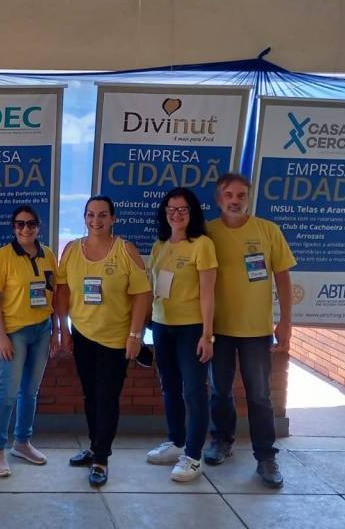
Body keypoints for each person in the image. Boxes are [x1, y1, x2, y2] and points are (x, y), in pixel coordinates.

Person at [204, 173, 296, 488]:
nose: (235, 201)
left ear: (248, 198)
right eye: (229, 195)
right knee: (220, 390)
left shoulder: (268, 231)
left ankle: (266, 457)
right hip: (218, 329)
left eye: (241, 195)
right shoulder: (207, 233)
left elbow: (283, 277)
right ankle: (222, 440)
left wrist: (286, 321)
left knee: (259, 395)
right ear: (219, 199)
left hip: (256, 331)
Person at [56, 195, 151, 488]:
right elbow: (62, 290)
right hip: (82, 335)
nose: (95, 220)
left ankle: (101, 458)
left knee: (107, 398)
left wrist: (135, 335)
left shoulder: (125, 250)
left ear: (113, 219)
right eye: (90, 214)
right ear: (84, 218)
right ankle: (94, 445)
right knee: (90, 396)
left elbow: (142, 294)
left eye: (102, 215)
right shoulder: (72, 250)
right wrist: (64, 330)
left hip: (116, 339)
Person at [143, 188, 217, 482]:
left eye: (182, 209)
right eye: (171, 209)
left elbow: (208, 294)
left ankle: (194, 456)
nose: (176, 215)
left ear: (192, 212)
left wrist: (207, 335)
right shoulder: (159, 245)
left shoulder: (202, 245)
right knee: (169, 387)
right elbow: (154, 288)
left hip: (191, 328)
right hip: (162, 326)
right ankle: (176, 442)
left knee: (194, 391)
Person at [0, 205, 59, 477]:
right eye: (19, 224)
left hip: (42, 330)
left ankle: (22, 443)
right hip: (14, 332)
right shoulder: (4, 255)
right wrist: (0, 335)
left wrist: (56, 330)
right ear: (13, 227)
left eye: (30, 224)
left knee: (30, 391)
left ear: (38, 226)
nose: (25, 229)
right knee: (8, 392)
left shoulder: (48, 254)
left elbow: (55, 292)